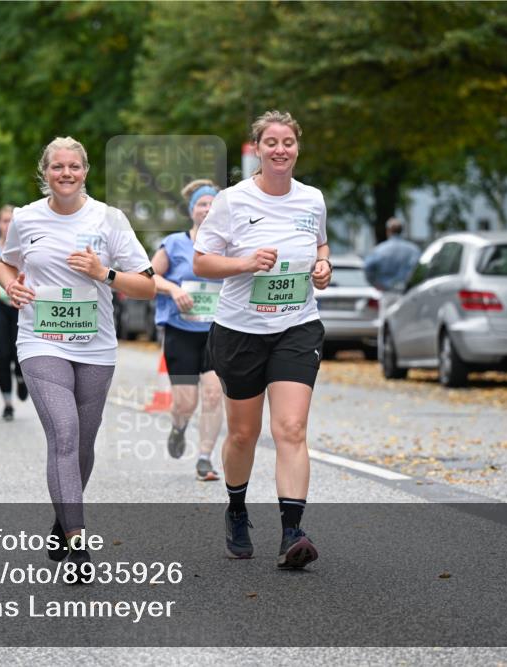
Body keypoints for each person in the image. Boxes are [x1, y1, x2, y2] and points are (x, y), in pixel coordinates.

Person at [0, 137, 155, 574]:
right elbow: (6, 263)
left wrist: (103, 272)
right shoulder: (27, 218)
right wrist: (9, 285)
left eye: (74, 167)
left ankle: (63, 518)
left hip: (96, 346)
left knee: (83, 444)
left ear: (85, 171)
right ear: (44, 172)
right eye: (57, 167)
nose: (65, 174)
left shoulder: (109, 219)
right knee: (63, 435)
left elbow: (146, 284)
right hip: (40, 340)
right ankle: (79, 544)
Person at [193, 110, 332, 569]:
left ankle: (293, 532)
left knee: (290, 429)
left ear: (297, 147)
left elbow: (321, 247)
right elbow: (202, 263)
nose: (280, 149)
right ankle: (236, 510)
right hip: (240, 332)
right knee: (243, 434)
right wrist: (246, 263)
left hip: (297, 325)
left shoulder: (312, 200)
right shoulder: (232, 201)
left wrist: (324, 266)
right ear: (257, 148)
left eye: (288, 142)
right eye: (271, 142)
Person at [151, 178, 225, 481]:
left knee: (213, 395)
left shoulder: (228, 244)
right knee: (185, 402)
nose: (207, 210)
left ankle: (205, 458)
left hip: (217, 332)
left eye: (212, 204)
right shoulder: (174, 244)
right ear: (192, 210)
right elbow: (147, 277)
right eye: (202, 204)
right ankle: (179, 427)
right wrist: (172, 289)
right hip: (181, 332)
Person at [0, 204, 28, 421]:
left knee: (18, 355)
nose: (7, 225)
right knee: (2, 355)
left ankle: (21, 377)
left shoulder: (28, 246)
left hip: (21, 305)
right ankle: (8, 403)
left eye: (11, 220)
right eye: (4, 221)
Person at [363, 217, 421, 292]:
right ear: (402, 231)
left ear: (388, 231)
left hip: (385, 292)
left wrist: (375, 283)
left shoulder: (379, 249)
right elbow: (419, 270)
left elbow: (367, 267)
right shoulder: (413, 250)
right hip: (406, 293)